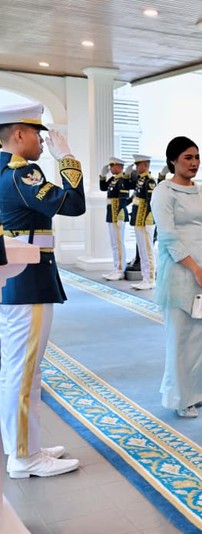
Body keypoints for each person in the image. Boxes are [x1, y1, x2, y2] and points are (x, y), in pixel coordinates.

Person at [0, 102, 84, 478]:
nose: (42, 140)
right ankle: (25, 456)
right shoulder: (23, 173)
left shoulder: (4, 170)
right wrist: (66, 157)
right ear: (19, 134)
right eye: (37, 133)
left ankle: (23, 445)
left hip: (14, 278)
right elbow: (74, 204)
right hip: (27, 279)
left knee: (17, 370)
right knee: (24, 372)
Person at [151, 137, 202, 418]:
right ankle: (180, 397)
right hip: (179, 272)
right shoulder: (163, 192)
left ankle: (198, 392)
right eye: (187, 158)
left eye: (196, 157)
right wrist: (195, 269)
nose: (194, 163)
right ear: (173, 161)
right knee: (181, 337)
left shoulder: (200, 192)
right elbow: (168, 237)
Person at [129, 154, 162, 290]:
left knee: (148, 250)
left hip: (146, 219)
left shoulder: (150, 181)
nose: (137, 167)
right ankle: (145, 277)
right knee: (142, 250)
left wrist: (149, 219)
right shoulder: (140, 179)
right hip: (138, 219)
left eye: (138, 164)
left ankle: (150, 279)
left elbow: (151, 202)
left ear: (145, 165)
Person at [100, 156, 133, 281]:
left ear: (119, 166)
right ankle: (115, 268)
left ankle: (120, 270)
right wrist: (102, 176)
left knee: (119, 243)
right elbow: (103, 188)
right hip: (111, 214)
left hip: (118, 214)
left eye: (112, 166)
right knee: (114, 243)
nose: (110, 168)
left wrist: (120, 215)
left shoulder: (123, 180)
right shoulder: (114, 179)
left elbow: (123, 199)